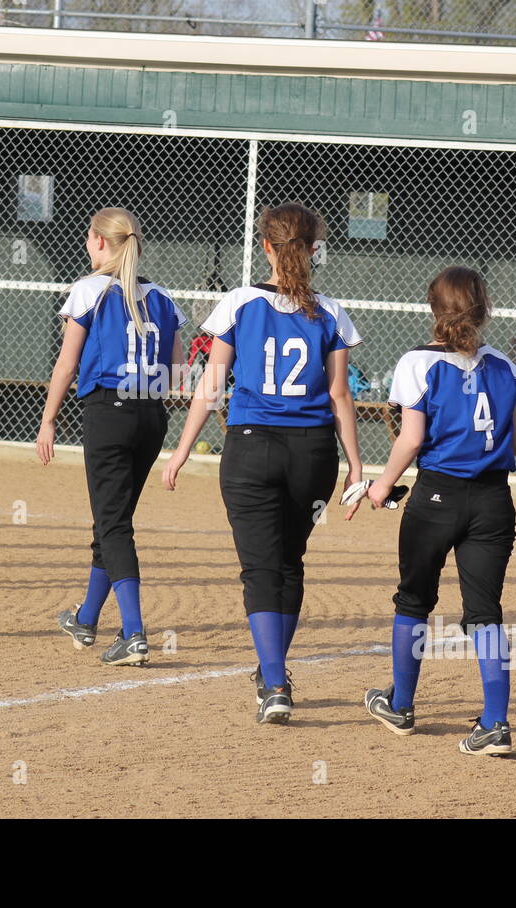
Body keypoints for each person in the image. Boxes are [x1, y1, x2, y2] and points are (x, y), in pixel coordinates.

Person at [162, 202, 364, 725]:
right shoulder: (330, 311)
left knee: (259, 567)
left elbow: (211, 384)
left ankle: (274, 680)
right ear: (312, 250)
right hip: (313, 450)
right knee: (290, 562)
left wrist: (182, 449)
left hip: (250, 446)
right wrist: (356, 466)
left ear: (266, 247)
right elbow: (340, 395)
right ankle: (273, 670)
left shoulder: (239, 302)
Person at [350, 266, 516, 756]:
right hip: (494, 499)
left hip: (437, 496)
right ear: (483, 309)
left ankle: (402, 705)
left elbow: (411, 439)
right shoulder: (505, 366)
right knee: (486, 612)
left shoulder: (417, 363)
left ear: (434, 309)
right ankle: (496, 723)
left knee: (414, 600)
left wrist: (381, 486)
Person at [37, 207, 187, 667]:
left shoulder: (89, 290)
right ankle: (85, 617)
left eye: (89, 238)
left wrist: (47, 418)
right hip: (150, 415)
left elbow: (66, 363)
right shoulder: (161, 297)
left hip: (108, 412)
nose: (88, 245)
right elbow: (179, 374)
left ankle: (135, 632)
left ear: (101, 242)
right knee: (112, 518)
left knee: (114, 523)